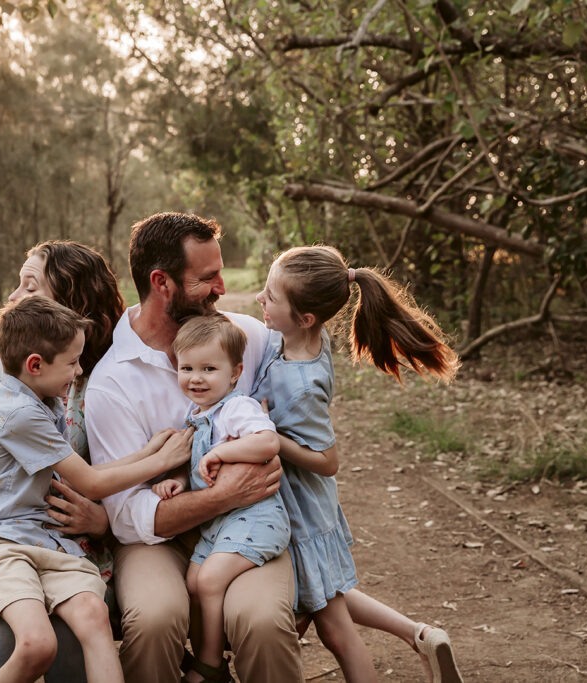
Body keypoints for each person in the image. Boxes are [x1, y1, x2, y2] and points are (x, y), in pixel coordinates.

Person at [0, 241, 182, 681]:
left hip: (58, 544)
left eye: (31, 288)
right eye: (19, 285)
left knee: (83, 621)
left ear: (71, 310)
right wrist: (158, 459)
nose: (13, 300)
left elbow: (98, 489)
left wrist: (102, 518)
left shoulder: (94, 378)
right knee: (11, 634)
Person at [85, 212, 302, 683]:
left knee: (263, 621)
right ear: (161, 283)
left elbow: (306, 355)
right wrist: (222, 494)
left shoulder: (245, 336)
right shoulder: (112, 382)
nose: (222, 287)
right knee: (154, 618)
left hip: (246, 525)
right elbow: (125, 518)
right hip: (158, 535)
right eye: (207, 278)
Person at [253, 245, 464, 683]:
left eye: (271, 297)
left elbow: (328, 461)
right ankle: (419, 634)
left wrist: (273, 439)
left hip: (303, 513)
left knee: (336, 630)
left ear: (306, 317)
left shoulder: (303, 382)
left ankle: (417, 635)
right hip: (302, 507)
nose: (260, 300)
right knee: (327, 597)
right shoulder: (299, 340)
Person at [151, 314, 289, 683]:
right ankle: (211, 654)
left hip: (257, 518)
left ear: (234, 373)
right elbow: (192, 459)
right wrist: (176, 481)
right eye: (187, 368)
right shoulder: (195, 414)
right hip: (221, 524)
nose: (196, 378)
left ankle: (209, 665)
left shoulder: (236, 408)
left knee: (209, 580)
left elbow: (267, 442)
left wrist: (220, 454)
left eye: (209, 368)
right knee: (194, 580)